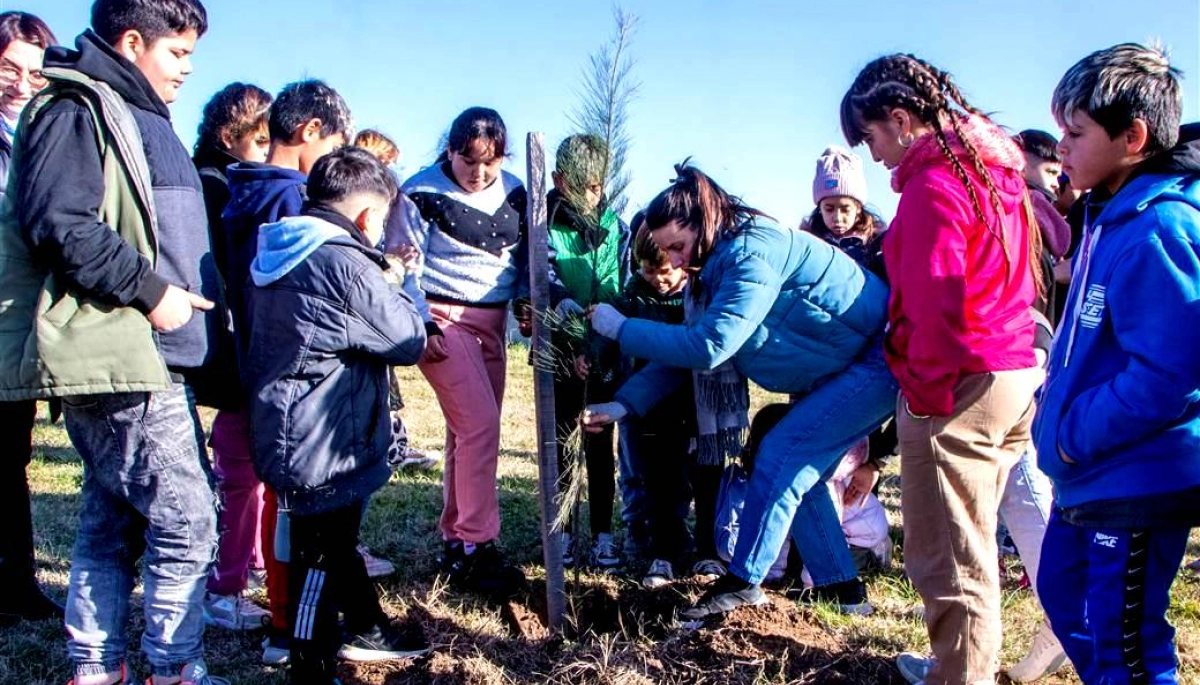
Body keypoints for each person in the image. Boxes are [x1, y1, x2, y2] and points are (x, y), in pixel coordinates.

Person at [0, 0, 234, 682]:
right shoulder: (78, 108)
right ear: (133, 42)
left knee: (113, 517)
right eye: (177, 53)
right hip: (122, 352)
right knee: (188, 517)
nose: (187, 69)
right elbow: (61, 223)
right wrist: (153, 292)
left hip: (151, 355)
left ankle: (98, 665)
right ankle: (173, 665)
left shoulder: (135, 111)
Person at [582, 161, 896, 619]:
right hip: (840, 368)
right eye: (665, 250)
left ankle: (743, 581)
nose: (673, 261)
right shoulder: (713, 269)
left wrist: (621, 328)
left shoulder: (752, 254)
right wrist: (624, 404)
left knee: (781, 453)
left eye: (676, 246)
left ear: (702, 224)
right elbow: (688, 350)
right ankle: (843, 591)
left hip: (879, 359)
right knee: (800, 472)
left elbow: (710, 346)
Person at [840, 54, 1044, 685]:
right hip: (1010, 370)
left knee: (949, 556)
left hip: (958, 384)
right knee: (972, 544)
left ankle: (961, 678)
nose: (873, 155)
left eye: (871, 137)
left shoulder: (934, 187)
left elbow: (936, 306)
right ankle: (959, 666)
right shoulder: (992, 173)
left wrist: (922, 394)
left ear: (901, 121)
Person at [1035, 44, 1200, 685]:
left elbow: (1167, 374)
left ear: (1132, 138)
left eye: (1076, 132)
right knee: (1064, 597)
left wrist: (1073, 433)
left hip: (1133, 475)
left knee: (1126, 639)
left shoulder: (1161, 228)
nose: (1061, 147)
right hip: (1088, 475)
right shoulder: (1108, 218)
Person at [244, 146, 429, 684]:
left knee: (332, 540)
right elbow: (407, 337)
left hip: (290, 424)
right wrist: (402, 280)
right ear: (368, 216)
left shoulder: (282, 246)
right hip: (323, 441)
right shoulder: (344, 264)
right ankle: (310, 664)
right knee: (318, 561)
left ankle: (367, 627)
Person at [220, 77, 354, 665]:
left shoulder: (245, 189)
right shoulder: (291, 201)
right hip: (288, 378)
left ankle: (286, 611)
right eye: (335, 147)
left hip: (257, 367)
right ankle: (285, 622)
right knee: (291, 502)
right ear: (310, 130)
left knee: (280, 495)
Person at [396, 106, 528, 597]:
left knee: (465, 433)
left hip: (494, 322)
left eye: (489, 162)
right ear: (450, 151)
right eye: (468, 160)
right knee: (480, 425)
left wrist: (528, 300)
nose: (478, 172)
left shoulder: (516, 190)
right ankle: (478, 546)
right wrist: (423, 321)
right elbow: (404, 264)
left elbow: (527, 256)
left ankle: (455, 538)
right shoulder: (420, 191)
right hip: (443, 320)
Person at [191, 81, 274, 633]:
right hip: (232, 347)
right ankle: (223, 585)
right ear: (230, 136)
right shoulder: (216, 188)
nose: (268, 152)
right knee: (239, 471)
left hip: (242, 345)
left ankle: (253, 558)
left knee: (252, 469)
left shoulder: (230, 184)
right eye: (261, 140)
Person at [584, 225, 705, 588]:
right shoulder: (633, 296)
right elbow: (605, 334)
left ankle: (675, 533)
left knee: (678, 473)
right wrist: (592, 353)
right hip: (638, 403)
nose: (657, 280)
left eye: (664, 271)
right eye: (648, 271)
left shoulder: (693, 301)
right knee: (638, 470)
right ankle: (640, 529)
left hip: (683, 400)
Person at [0, 9, 62, 628]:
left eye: (35, 73)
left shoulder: (41, 140)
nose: (21, 83)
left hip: (17, 330)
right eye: (8, 68)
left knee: (10, 461)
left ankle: (16, 584)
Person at [546, 133, 629, 569]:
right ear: (560, 181)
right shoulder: (542, 224)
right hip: (557, 352)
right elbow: (539, 282)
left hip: (603, 353)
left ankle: (602, 534)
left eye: (597, 186)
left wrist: (596, 349)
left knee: (599, 445)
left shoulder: (617, 227)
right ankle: (561, 531)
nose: (591, 195)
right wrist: (568, 334)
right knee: (561, 442)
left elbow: (620, 292)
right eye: (581, 186)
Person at [800, 145, 887, 278]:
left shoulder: (876, 242)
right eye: (829, 209)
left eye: (845, 209)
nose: (837, 218)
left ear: (858, 208)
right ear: (820, 209)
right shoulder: (809, 241)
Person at [1015, 129, 1071, 322]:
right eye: (1050, 172)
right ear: (1022, 165)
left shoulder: (1037, 219)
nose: (1056, 183)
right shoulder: (1021, 215)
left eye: (1058, 175)